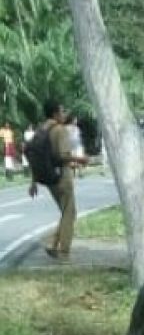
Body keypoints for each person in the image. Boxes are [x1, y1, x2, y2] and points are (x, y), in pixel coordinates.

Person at [27, 100, 90, 261]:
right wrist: (80, 159)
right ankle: (64, 253)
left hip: (48, 179)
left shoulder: (40, 130)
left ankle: (54, 246)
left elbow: (34, 155)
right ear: (55, 114)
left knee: (65, 212)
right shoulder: (60, 130)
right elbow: (63, 156)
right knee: (70, 213)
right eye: (62, 111)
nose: (64, 114)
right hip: (62, 176)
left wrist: (33, 181)